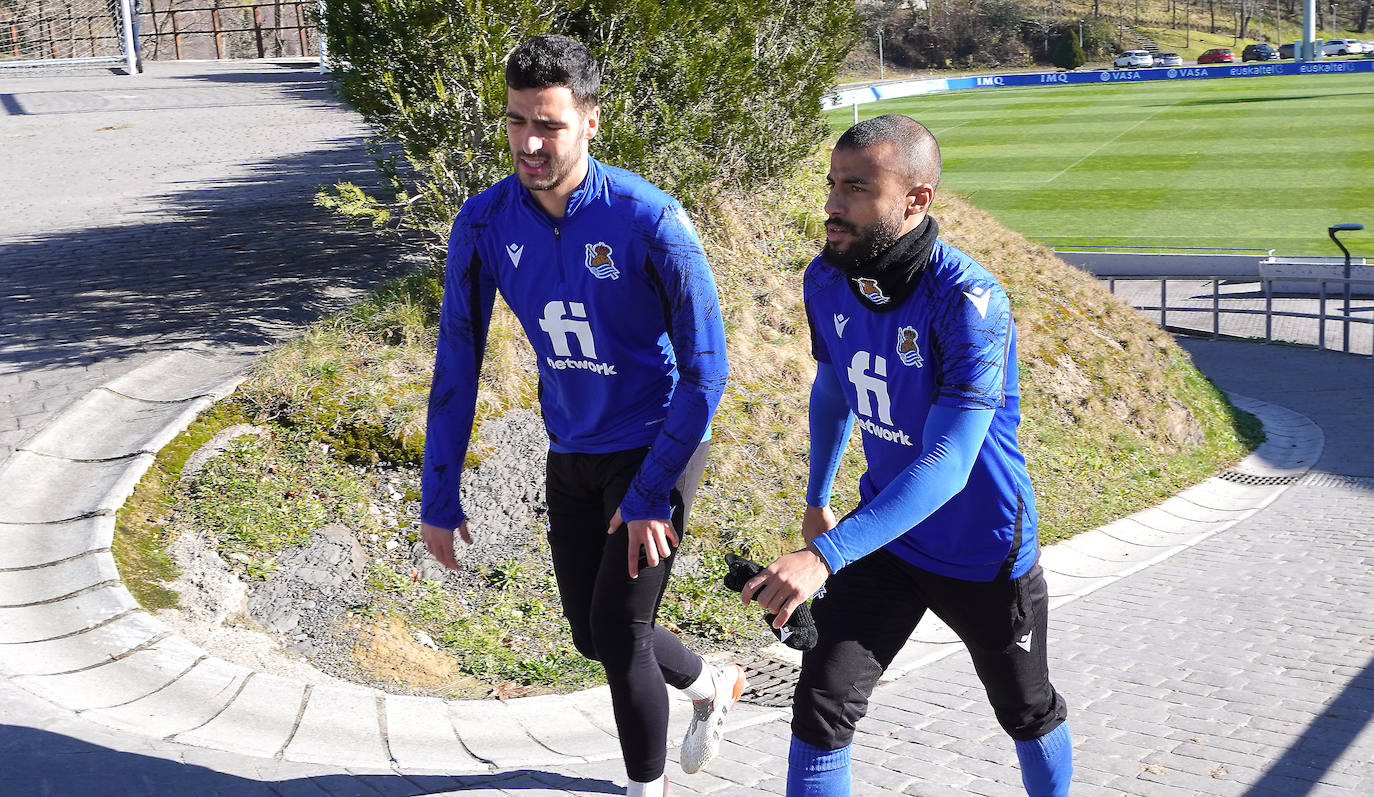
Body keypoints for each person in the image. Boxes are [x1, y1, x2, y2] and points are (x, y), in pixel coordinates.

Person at [418, 35, 745, 797]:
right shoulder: (483, 223)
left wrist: (652, 489)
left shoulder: (651, 219)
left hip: (659, 439)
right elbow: (456, 366)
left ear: (591, 121)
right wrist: (438, 493)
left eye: (550, 125)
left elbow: (708, 371)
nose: (529, 143)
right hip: (571, 442)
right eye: (516, 122)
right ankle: (708, 683)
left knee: (622, 630)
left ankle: (646, 788)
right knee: (586, 632)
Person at [741, 114, 1073, 797]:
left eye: (857, 189)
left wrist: (823, 557)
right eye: (832, 184)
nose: (833, 204)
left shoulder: (970, 301)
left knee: (1026, 710)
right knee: (821, 709)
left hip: (984, 550)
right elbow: (833, 387)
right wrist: (816, 498)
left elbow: (950, 463)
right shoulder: (826, 278)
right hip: (886, 536)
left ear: (917, 199)